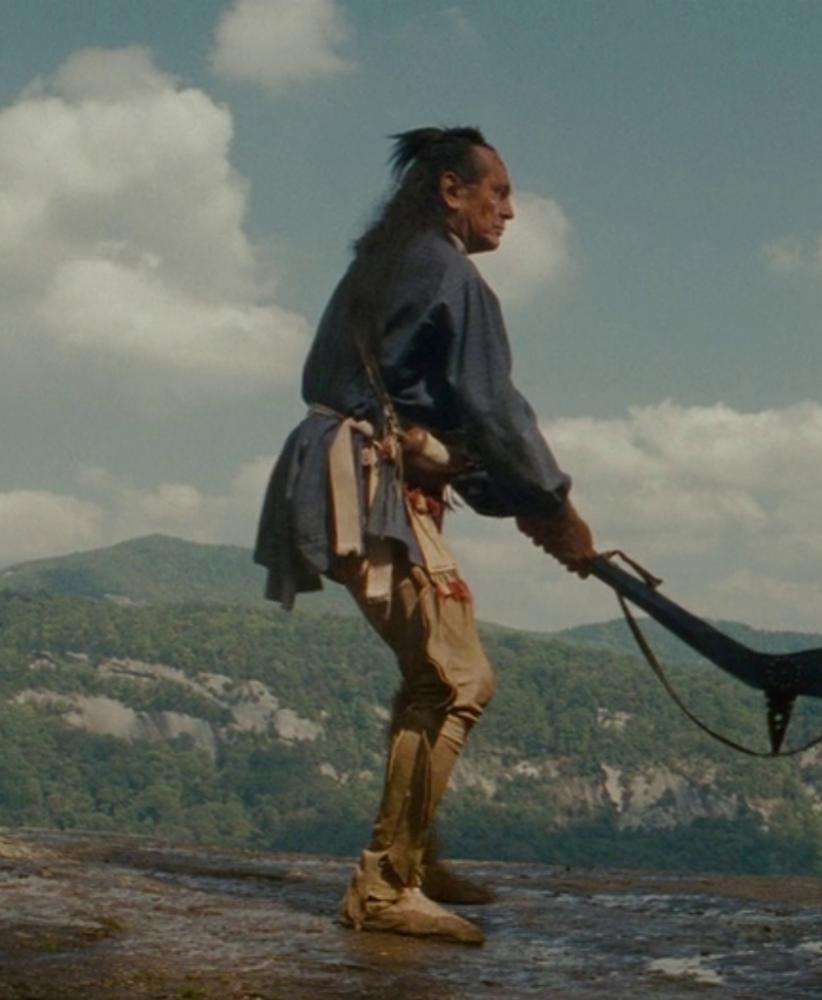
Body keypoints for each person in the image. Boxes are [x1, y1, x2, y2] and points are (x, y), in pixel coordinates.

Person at [254, 126, 597, 945]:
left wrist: (518, 500)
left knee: (431, 669)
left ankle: (418, 859)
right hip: (365, 478)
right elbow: (491, 409)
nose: (509, 211)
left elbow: (433, 414)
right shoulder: (450, 272)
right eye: (498, 192)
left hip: (347, 465)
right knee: (455, 678)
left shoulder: (388, 261)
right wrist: (553, 506)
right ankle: (386, 885)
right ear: (452, 190)